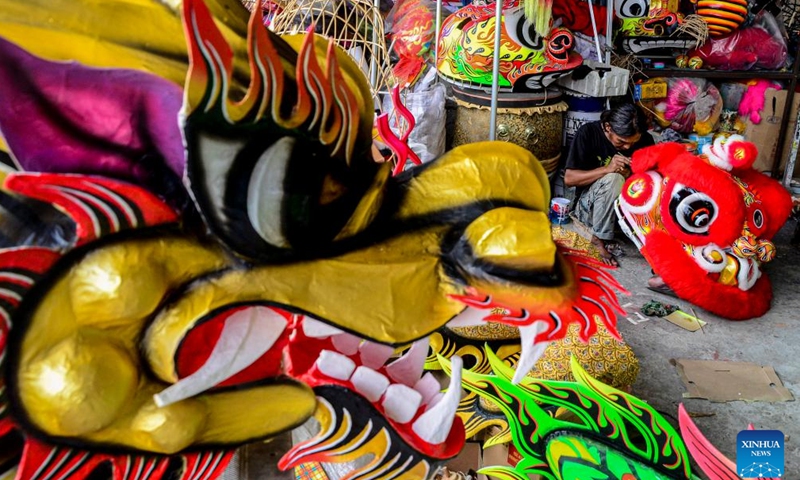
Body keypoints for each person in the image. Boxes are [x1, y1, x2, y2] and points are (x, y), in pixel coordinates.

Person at [564, 103, 654, 266]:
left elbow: (651, 180)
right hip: (588, 210)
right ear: (608, 127)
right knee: (614, 178)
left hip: (624, 208)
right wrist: (608, 169)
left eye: (633, 142)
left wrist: (631, 176)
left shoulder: (646, 141)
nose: (627, 147)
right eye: (621, 141)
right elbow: (569, 179)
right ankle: (597, 240)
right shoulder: (588, 133)